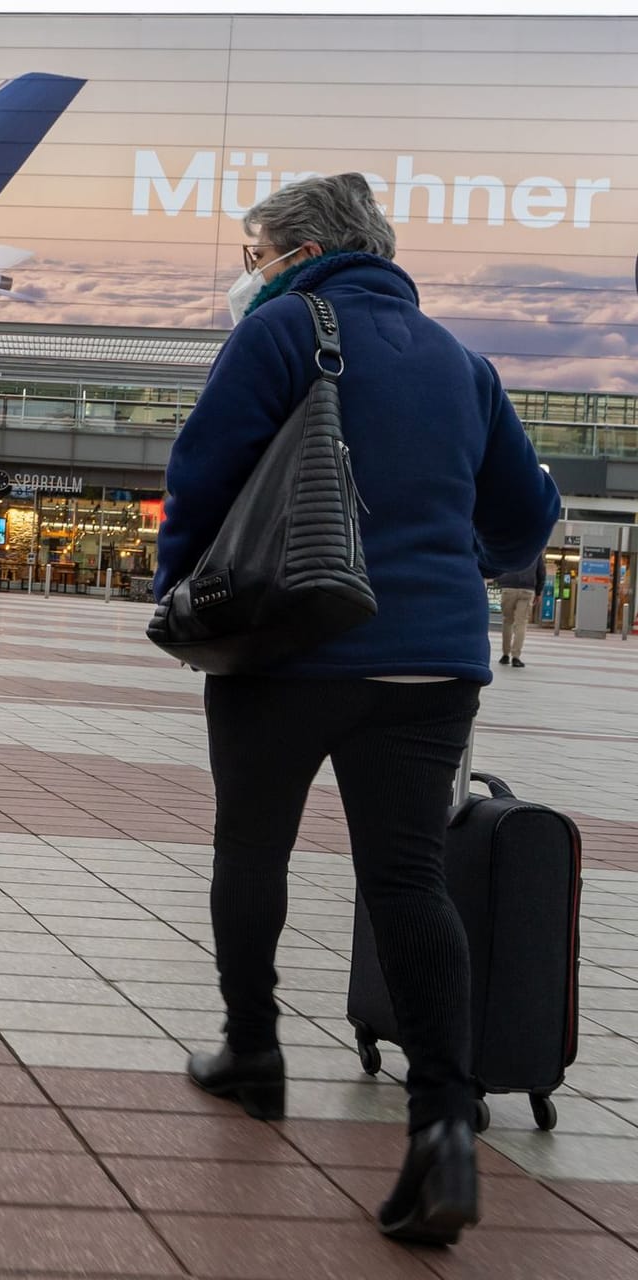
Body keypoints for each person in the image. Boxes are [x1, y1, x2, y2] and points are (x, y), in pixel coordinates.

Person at [155, 173, 559, 1245]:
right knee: (409, 878)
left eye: (253, 253)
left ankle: (254, 1049)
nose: (249, 273)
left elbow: (202, 468)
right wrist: (455, 567)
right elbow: (531, 510)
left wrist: (179, 590)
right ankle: (444, 1126)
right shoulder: (461, 362)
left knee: (253, 849)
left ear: (295, 250)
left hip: (287, 647)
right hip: (431, 663)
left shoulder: (285, 331)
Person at [495, 555, 546, 668]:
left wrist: (500, 581)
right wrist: (538, 592)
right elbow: (541, 572)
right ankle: (516, 657)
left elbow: (497, 563)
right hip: (527, 589)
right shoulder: (535, 549)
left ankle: (505, 655)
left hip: (508, 587)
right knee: (521, 623)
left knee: (507, 621)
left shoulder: (508, 544)